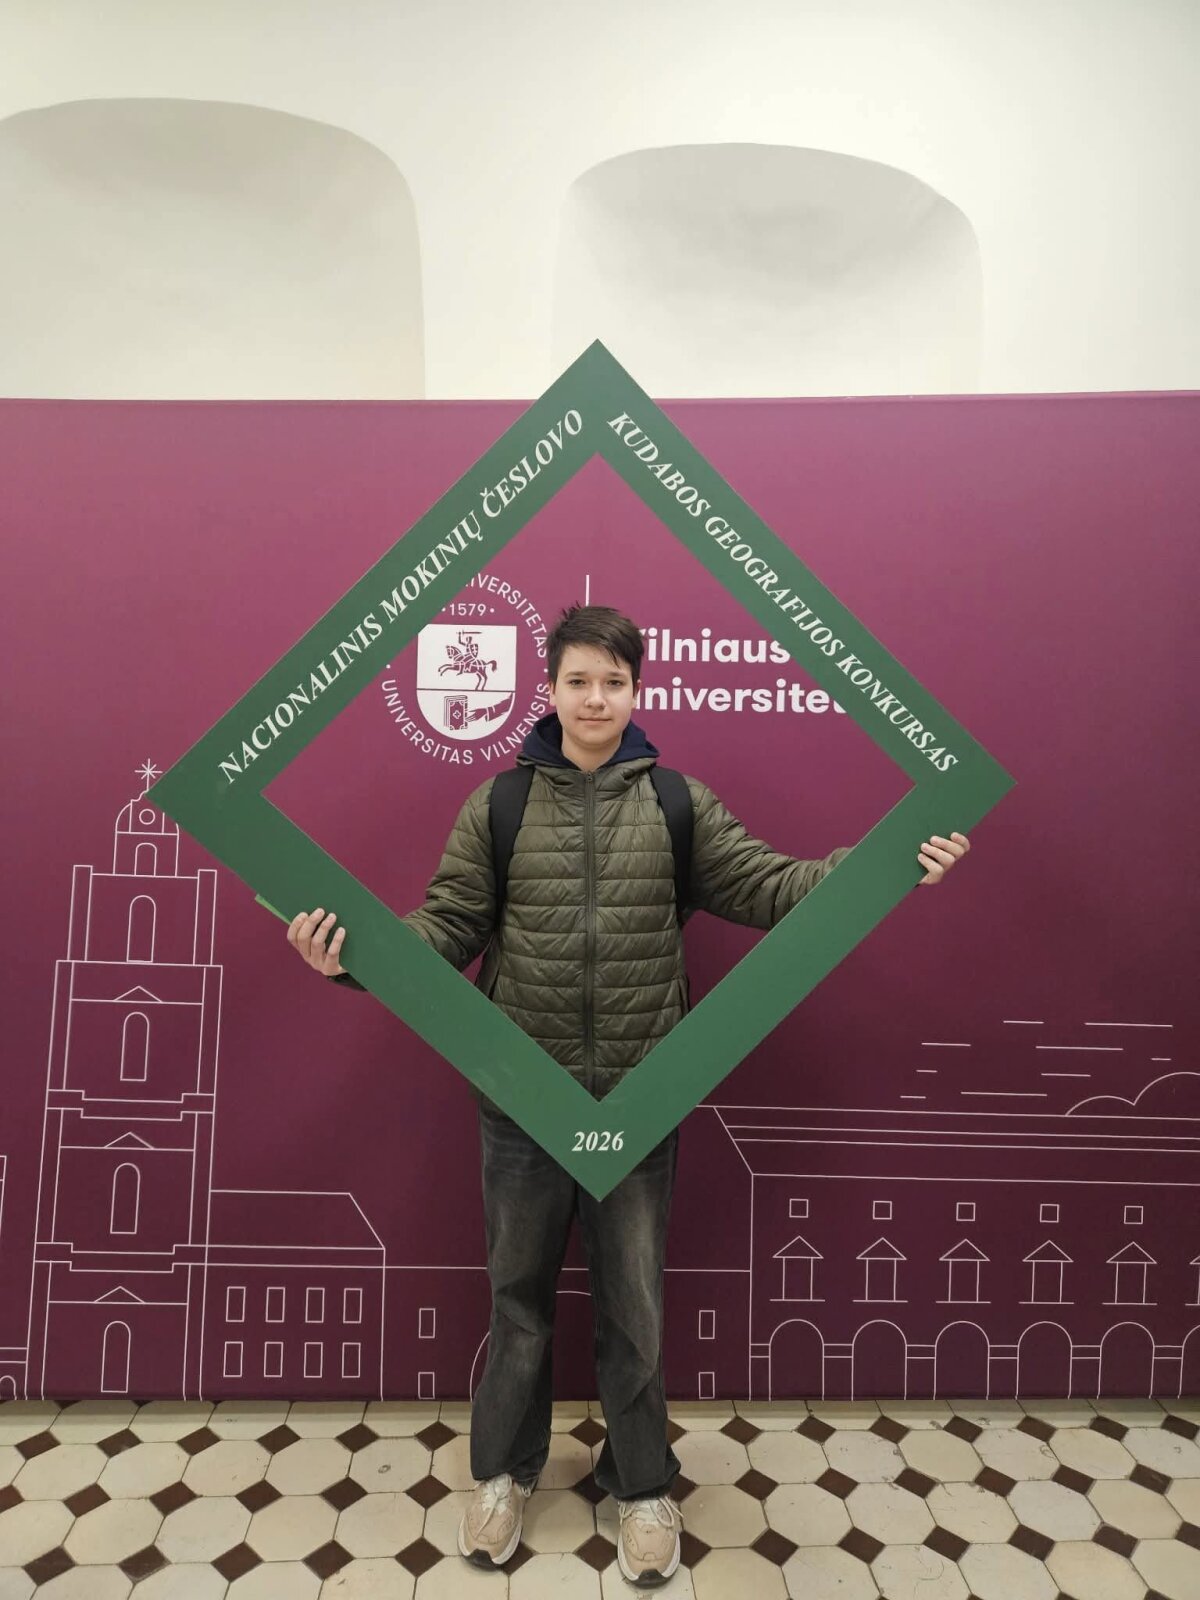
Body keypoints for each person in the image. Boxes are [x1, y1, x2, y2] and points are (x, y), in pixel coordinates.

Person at [287, 604, 970, 1588]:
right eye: (578, 681)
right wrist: (353, 960)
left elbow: (775, 887)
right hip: (523, 1100)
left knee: (634, 1308)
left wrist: (888, 868)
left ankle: (643, 1484)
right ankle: (503, 1474)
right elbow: (447, 926)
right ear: (550, 690)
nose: (595, 698)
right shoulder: (500, 806)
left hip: (639, 1102)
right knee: (518, 1302)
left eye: (613, 681)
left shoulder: (679, 805)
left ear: (637, 690)